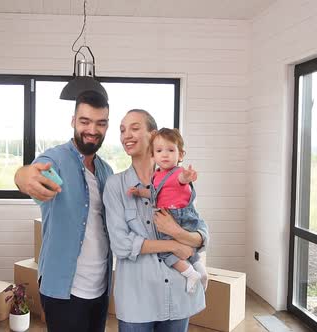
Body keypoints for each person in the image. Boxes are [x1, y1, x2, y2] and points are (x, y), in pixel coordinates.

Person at [13, 90, 113, 332]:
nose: (92, 129)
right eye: (85, 121)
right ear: (73, 121)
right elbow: (28, 173)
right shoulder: (55, 160)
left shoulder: (106, 171)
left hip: (100, 287)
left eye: (100, 123)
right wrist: (24, 177)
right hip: (64, 289)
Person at [103, 109, 209, 331]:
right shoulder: (116, 186)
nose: (126, 135)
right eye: (122, 130)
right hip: (136, 301)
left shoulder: (178, 181)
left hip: (179, 295)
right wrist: (175, 245)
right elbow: (121, 245)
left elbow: (200, 233)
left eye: (134, 128)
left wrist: (179, 234)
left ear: (152, 135)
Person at [127, 127, 208, 293]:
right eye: (159, 150)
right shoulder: (157, 176)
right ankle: (200, 270)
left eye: (170, 150)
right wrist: (140, 192)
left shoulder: (177, 173)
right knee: (187, 248)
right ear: (153, 155)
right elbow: (154, 193)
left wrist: (188, 177)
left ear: (181, 155)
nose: (164, 154)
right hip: (174, 216)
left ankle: (190, 273)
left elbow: (182, 179)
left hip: (178, 216)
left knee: (166, 253)